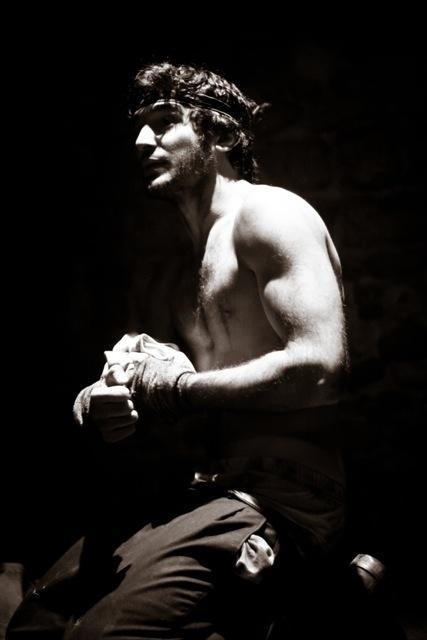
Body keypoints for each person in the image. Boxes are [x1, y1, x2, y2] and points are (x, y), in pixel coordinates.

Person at [8, 62, 348, 639]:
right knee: (37, 623)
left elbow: (319, 369)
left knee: (102, 636)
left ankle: (334, 602)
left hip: (288, 497)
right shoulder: (179, 269)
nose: (142, 141)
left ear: (222, 134)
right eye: (139, 127)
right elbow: (137, 375)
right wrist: (98, 402)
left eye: (165, 122)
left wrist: (176, 391)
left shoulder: (271, 215)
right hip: (202, 492)